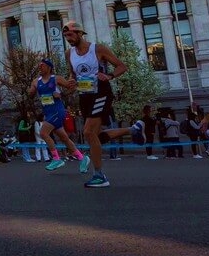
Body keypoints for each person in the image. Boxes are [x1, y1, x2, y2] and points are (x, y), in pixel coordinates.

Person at [59, 21, 145, 188]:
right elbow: (73, 74)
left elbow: (122, 66)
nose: (68, 39)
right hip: (84, 96)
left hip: (101, 93)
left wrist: (110, 75)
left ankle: (99, 175)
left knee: (88, 132)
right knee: (96, 136)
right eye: (65, 36)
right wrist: (71, 82)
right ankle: (133, 129)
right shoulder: (69, 53)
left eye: (70, 35)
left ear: (79, 33)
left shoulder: (98, 49)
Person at [27, 59, 85, 171]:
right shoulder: (35, 81)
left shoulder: (56, 79)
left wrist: (61, 94)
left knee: (43, 133)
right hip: (48, 112)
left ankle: (56, 158)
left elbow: (72, 87)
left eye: (42, 66)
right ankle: (82, 158)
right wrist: (30, 92)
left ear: (49, 68)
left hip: (57, 110)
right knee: (64, 138)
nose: (40, 67)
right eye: (39, 66)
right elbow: (31, 93)